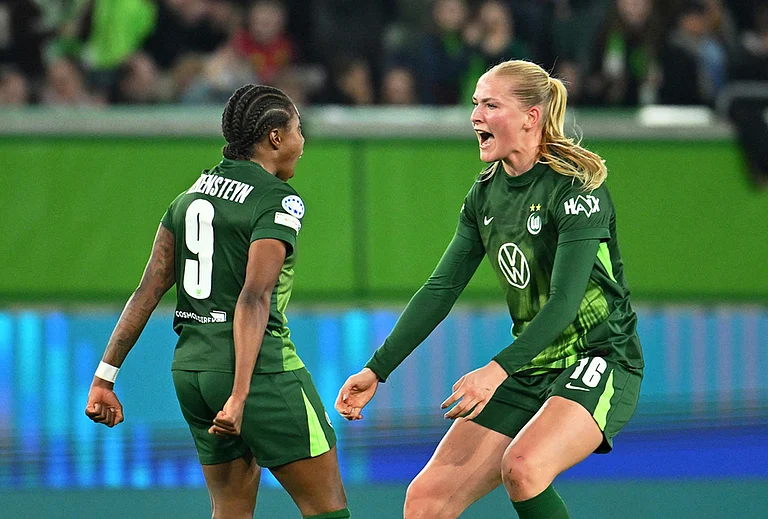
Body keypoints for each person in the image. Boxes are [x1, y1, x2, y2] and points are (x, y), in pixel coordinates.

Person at [336, 59, 644, 519]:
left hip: (599, 357)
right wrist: (377, 369)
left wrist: (495, 371)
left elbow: (564, 304)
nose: (475, 116)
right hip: (531, 363)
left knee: (522, 467)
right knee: (425, 501)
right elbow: (440, 290)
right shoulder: (484, 194)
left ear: (531, 117)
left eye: (490, 105)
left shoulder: (577, 189)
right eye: (475, 104)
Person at [85, 84, 351, 519]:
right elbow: (253, 297)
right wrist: (240, 396)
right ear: (275, 137)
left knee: (230, 510)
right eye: (298, 130)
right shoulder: (277, 200)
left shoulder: (188, 197)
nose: (302, 143)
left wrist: (104, 378)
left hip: (192, 373)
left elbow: (147, 291)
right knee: (328, 509)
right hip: (259, 373)